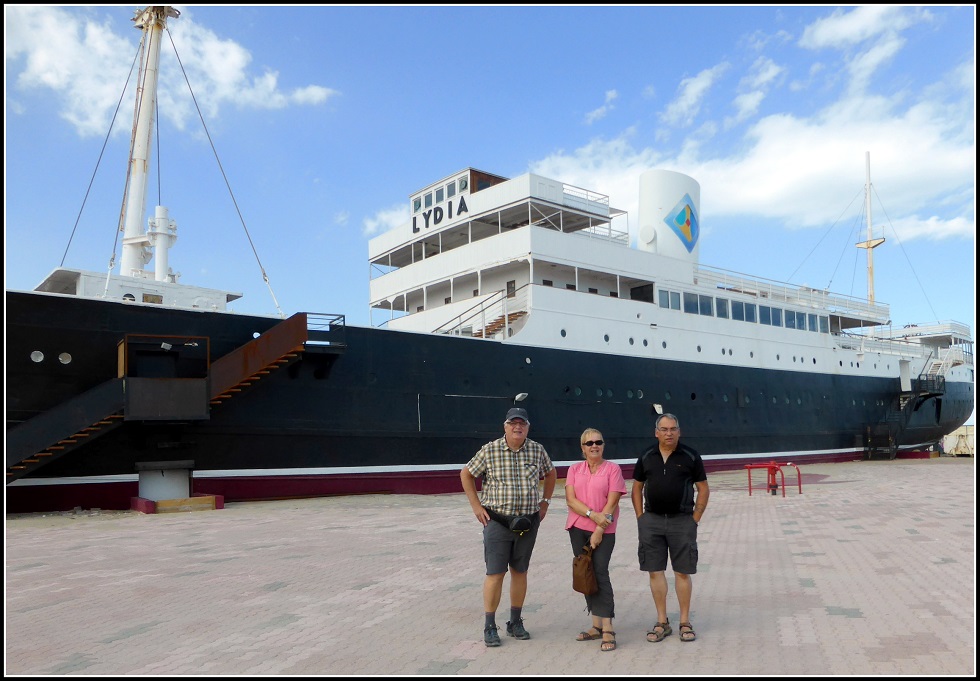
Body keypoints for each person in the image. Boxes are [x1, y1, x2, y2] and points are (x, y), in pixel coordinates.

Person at [460, 406, 557, 648]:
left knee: (520, 572)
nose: (517, 427)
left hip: (528, 521)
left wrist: (545, 502)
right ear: (505, 426)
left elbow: (551, 473)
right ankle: (490, 625)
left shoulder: (537, 450)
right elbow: (466, 474)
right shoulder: (490, 450)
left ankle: (515, 622)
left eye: (522, 424)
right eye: (513, 423)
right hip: (498, 522)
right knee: (495, 574)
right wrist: (475, 506)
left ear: (527, 427)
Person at [631, 413, 709, 643]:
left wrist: (695, 518)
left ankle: (684, 621)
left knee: (682, 572)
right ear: (656, 432)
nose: (668, 433)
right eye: (664, 429)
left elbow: (703, 488)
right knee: (655, 571)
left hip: (682, 521)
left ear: (679, 431)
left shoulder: (690, 456)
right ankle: (662, 621)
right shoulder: (646, 456)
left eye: (673, 429)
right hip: (652, 521)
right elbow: (636, 487)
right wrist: (640, 517)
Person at [564, 428, 627, 652]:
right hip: (577, 528)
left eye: (598, 442)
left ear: (603, 445)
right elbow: (571, 501)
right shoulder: (574, 469)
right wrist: (592, 514)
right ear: (582, 447)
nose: (594, 446)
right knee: (585, 572)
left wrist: (600, 527)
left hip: (604, 531)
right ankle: (595, 625)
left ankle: (608, 626)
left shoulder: (613, 469)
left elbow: (613, 502)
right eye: (589, 443)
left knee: (600, 572)